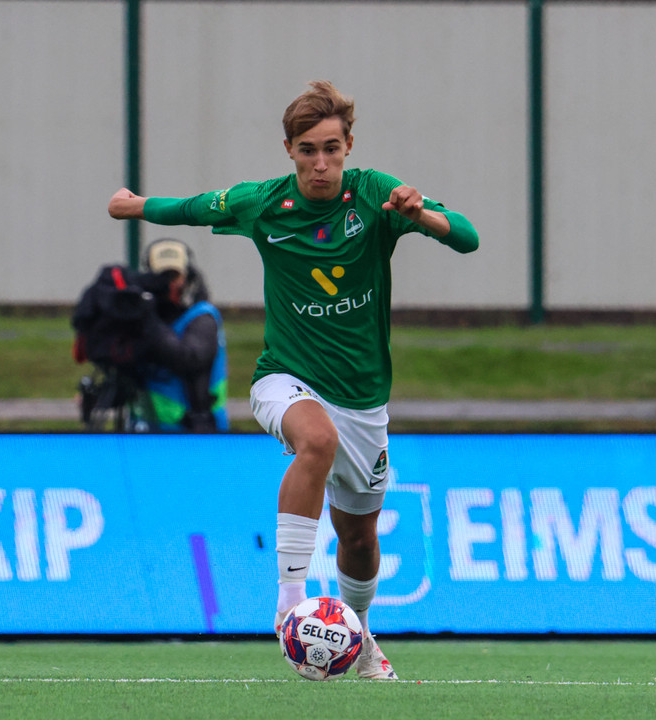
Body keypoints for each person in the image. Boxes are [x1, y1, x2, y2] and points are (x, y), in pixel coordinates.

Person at [108, 80, 479, 679]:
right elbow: (195, 207)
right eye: (308, 150)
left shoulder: (376, 195)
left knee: (358, 539)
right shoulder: (263, 203)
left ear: (349, 145)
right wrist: (135, 205)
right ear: (289, 150)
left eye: (331, 148)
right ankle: (289, 605)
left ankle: (360, 636)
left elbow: (468, 238)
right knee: (317, 440)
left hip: (363, 398)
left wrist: (423, 216)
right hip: (284, 378)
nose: (321, 163)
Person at [136, 238, 229, 433]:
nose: (169, 284)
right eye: (162, 276)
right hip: (147, 433)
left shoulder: (202, 316)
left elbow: (188, 358)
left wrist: (147, 315)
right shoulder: (147, 317)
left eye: (174, 276)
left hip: (196, 432)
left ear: (188, 277)